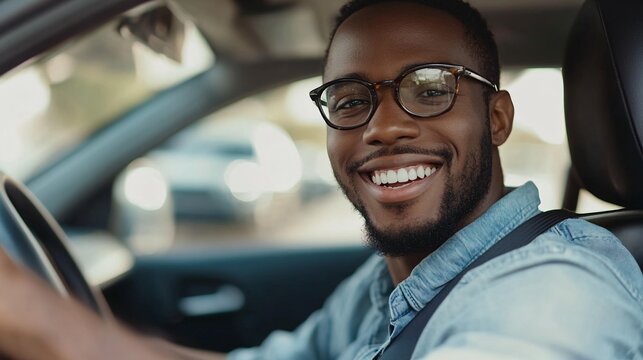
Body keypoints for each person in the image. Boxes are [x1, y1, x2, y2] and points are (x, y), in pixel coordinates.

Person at [0, 0, 640, 359]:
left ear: (496, 118)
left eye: (429, 89)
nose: (383, 127)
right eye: (350, 98)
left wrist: (48, 326)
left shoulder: (557, 289)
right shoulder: (393, 283)